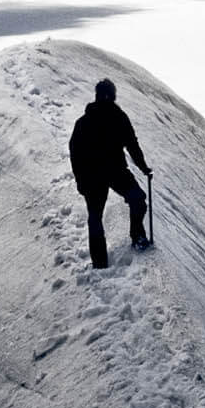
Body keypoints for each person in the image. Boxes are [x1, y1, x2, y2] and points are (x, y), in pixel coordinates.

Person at [68, 78, 152, 268]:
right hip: (108, 173)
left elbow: (75, 153)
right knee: (136, 200)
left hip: (99, 175)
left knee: (97, 216)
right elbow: (132, 144)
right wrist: (143, 167)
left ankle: (101, 261)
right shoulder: (114, 117)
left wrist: (81, 181)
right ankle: (135, 238)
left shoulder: (88, 121)